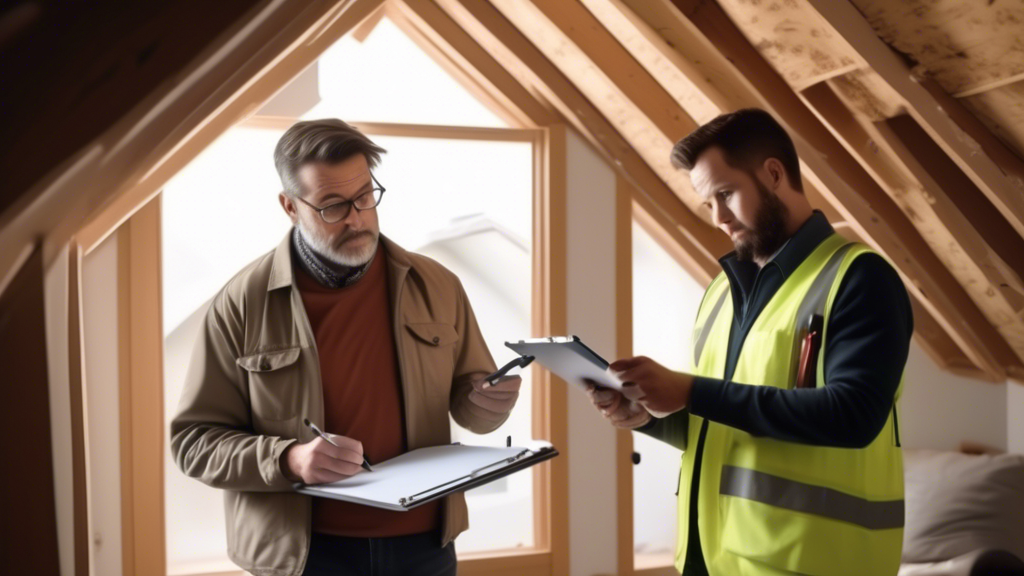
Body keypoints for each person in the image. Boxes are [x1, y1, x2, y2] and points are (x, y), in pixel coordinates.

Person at [171, 119, 522, 576]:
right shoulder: (241, 303)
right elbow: (194, 444)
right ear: (290, 207)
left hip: (426, 549)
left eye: (363, 197)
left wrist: (489, 400)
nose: (356, 218)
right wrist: (290, 459)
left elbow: (473, 411)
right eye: (332, 206)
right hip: (307, 557)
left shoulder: (438, 284)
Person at [587, 108, 912, 576]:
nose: (718, 217)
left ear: (774, 174)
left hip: (815, 564)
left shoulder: (860, 278)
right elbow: (722, 428)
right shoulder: (722, 291)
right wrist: (646, 417)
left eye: (725, 194)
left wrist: (691, 391)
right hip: (716, 563)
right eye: (708, 204)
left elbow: (854, 416)